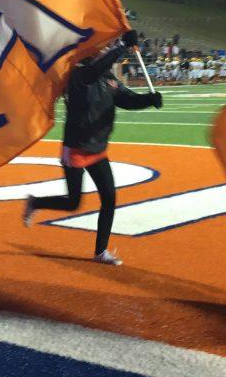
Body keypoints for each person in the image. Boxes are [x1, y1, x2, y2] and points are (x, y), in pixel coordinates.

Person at [22, 30, 162, 265]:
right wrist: (122, 46)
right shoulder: (78, 73)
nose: (103, 51)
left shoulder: (108, 78)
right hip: (76, 148)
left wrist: (149, 100)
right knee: (73, 202)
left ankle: (100, 252)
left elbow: (127, 100)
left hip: (98, 150)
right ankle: (35, 202)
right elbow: (94, 71)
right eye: (100, 49)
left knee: (109, 198)